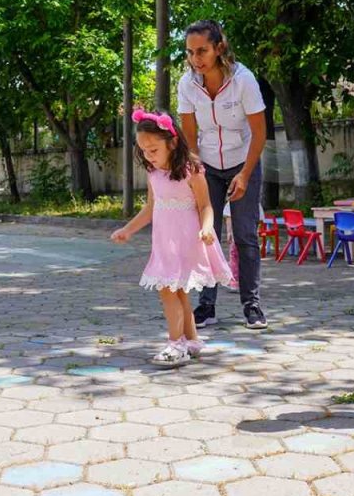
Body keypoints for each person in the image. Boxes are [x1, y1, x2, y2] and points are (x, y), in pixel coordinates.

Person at [112, 108, 233, 367]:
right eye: (144, 150)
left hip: (187, 240)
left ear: (173, 142)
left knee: (167, 291)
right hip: (164, 244)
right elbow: (150, 208)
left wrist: (207, 228)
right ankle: (192, 341)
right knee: (176, 292)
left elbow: (206, 206)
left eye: (153, 150)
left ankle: (175, 344)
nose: (148, 155)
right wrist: (128, 229)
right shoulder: (153, 173)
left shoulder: (192, 171)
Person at [177, 20, 268, 330]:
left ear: (219, 48)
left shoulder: (243, 80)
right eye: (190, 52)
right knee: (207, 234)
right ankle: (206, 306)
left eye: (202, 51)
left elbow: (259, 133)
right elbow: (189, 133)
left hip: (243, 161)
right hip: (208, 166)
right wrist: (196, 170)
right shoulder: (187, 84)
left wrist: (245, 174)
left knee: (245, 234)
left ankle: (251, 305)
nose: (196, 59)